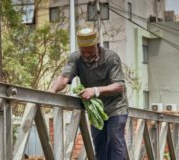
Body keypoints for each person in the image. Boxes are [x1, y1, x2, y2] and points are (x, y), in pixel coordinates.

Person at [49, 27, 128, 160]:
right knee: (99, 143)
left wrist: (96, 90)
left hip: (116, 107)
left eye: (90, 51)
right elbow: (64, 78)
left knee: (115, 140)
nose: (86, 55)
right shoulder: (76, 58)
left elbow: (120, 86)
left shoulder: (111, 58)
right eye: (83, 51)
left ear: (97, 45)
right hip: (95, 110)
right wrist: (51, 92)